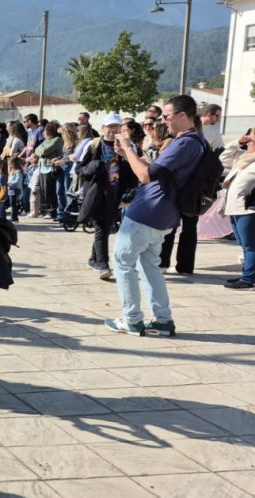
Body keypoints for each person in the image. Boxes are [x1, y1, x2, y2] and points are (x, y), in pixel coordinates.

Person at [106, 95, 206, 336]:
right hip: (165, 215)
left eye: (167, 116)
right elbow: (156, 170)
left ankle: (131, 319)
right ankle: (162, 319)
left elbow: (145, 176)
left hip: (148, 211)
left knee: (123, 263)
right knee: (150, 266)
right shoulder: (196, 142)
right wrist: (127, 154)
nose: (163, 121)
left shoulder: (185, 143)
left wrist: (128, 147)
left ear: (183, 115)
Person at [77, 114, 138, 281]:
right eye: (110, 126)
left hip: (117, 194)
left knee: (104, 227)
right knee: (102, 227)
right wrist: (92, 166)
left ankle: (93, 259)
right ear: (103, 127)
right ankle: (103, 264)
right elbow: (79, 169)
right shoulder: (93, 145)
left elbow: (134, 171)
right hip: (97, 193)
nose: (113, 130)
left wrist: (129, 194)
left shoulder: (128, 145)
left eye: (117, 127)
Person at [221, 129, 255, 289]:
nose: (250, 139)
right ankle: (247, 274)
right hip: (234, 207)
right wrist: (237, 143)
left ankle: (248, 279)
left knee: (250, 245)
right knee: (243, 244)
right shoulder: (243, 158)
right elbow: (223, 159)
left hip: (248, 209)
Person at [33, 121, 64, 220]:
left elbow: (43, 151)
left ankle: (51, 211)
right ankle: (44, 210)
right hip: (42, 167)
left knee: (49, 191)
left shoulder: (57, 140)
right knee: (42, 191)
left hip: (50, 167)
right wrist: (40, 151)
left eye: (45, 130)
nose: (44, 132)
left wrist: (41, 151)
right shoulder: (46, 140)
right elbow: (36, 150)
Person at [6, 156, 26, 222]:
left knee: (14, 204)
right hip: (11, 189)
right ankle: (13, 217)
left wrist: (9, 183)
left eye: (10, 163)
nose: (9, 164)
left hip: (15, 189)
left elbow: (18, 181)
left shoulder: (18, 172)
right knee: (12, 203)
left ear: (14, 163)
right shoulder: (12, 171)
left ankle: (14, 218)